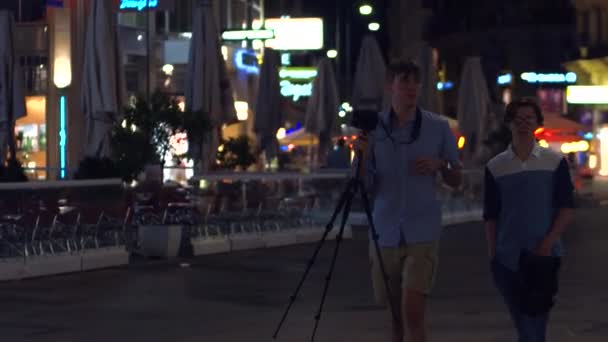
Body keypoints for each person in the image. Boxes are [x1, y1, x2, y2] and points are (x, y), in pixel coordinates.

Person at [356, 60, 462, 342]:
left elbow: (456, 178)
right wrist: (362, 155)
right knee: (395, 317)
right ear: (390, 86)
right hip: (385, 230)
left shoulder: (437, 127)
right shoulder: (373, 128)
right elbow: (364, 186)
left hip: (422, 230)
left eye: (415, 82)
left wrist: (440, 164)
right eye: (404, 82)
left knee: (412, 311)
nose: (411, 88)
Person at [483, 99, 574, 342]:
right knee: (522, 324)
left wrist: (547, 243)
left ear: (537, 123)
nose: (523, 124)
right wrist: (493, 254)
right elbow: (491, 214)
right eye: (518, 119)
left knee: (534, 325)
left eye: (529, 119)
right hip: (507, 256)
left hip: (543, 257)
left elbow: (566, 208)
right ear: (509, 123)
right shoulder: (496, 166)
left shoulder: (554, 162)